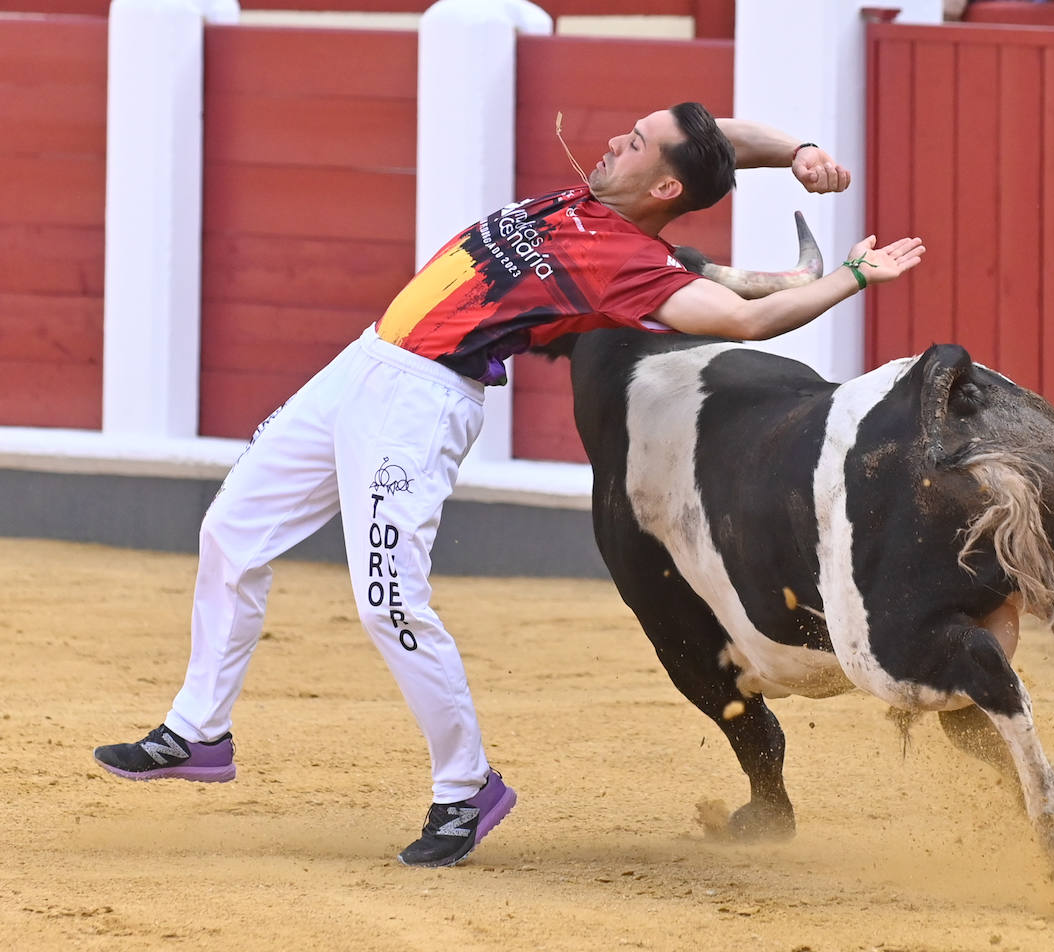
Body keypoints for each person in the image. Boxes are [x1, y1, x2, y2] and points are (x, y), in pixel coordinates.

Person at [92, 102, 927, 868]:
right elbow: (715, 135)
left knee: (390, 602)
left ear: (664, 185)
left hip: (420, 404)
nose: (609, 143)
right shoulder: (602, 196)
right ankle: (198, 732)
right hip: (367, 360)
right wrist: (801, 150)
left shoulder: (632, 268)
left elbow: (745, 317)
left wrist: (852, 278)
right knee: (230, 530)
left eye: (632, 145)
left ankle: (465, 790)